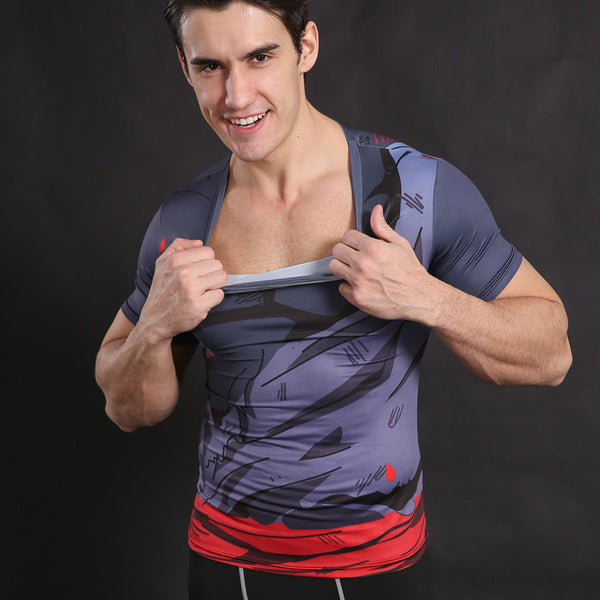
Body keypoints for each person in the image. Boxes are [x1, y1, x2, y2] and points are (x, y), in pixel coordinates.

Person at [95, 1, 572, 598]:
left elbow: (552, 354)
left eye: (259, 57)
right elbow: (128, 409)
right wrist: (153, 329)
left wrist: (426, 297)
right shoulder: (184, 220)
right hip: (225, 564)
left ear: (307, 47)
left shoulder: (416, 190)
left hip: (377, 565)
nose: (236, 96)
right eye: (210, 66)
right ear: (184, 68)